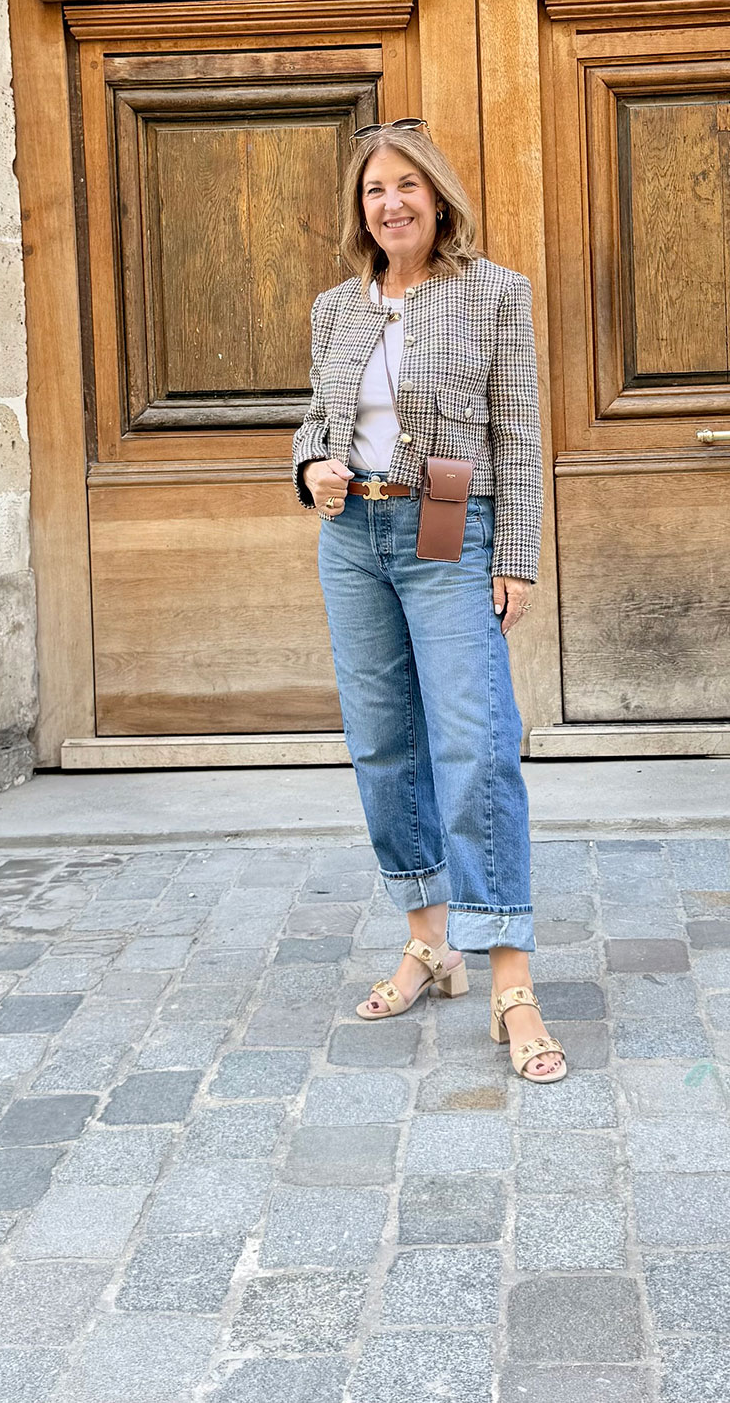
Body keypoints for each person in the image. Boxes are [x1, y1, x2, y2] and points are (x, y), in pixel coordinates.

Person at [293, 119, 566, 1082]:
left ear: (438, 197)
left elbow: (520, 431)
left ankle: (512, 977)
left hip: (450, 521)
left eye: (407, 185)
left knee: (475, 740)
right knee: (381, 740)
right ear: (360, 209)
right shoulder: (336, 308)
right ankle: (428, 940)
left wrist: (518, 557)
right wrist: (310, 465)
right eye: (375, 190)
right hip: (352, 537)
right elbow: (314, 421)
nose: (392, 202)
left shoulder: (494, 293)